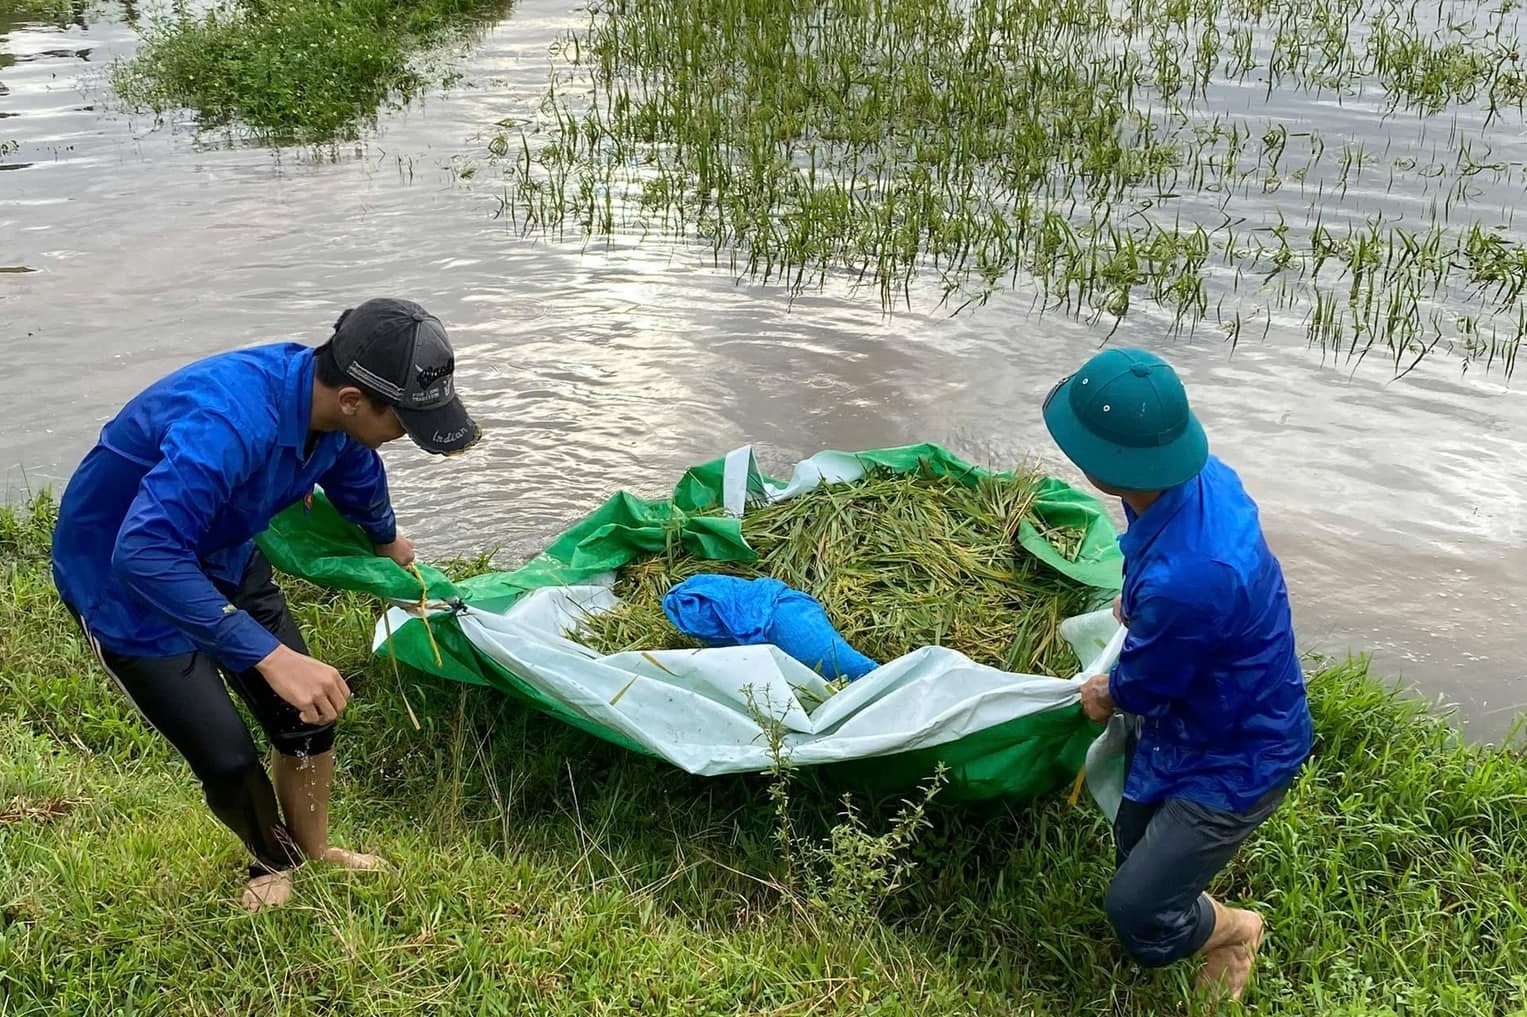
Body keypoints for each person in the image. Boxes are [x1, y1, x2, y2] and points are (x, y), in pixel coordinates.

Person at [51, 298, 481, 912]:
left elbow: (353, 462)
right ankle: (271, 859)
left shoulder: (330, 410)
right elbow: (143, 552)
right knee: (226, 756)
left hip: (221, 546)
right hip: (127, 581)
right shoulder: (227, 425)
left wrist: (386, 536)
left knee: (308, 711)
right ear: (355, 399)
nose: (405, 436)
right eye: (404, 422)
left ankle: (316, 849)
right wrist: (270, 655)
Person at [1041, 346, 1313, 1003]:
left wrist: (1105, 691)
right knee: (1133, 845)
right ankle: (1177, 895)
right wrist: (1137, 601)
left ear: (1111, 466)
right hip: (1192, 715)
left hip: (1237, 748)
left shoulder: (1193, 577)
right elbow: (1165, 593)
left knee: (1135, 909)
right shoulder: (1197, 479)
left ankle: (1235, 930)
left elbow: (1142, 684)